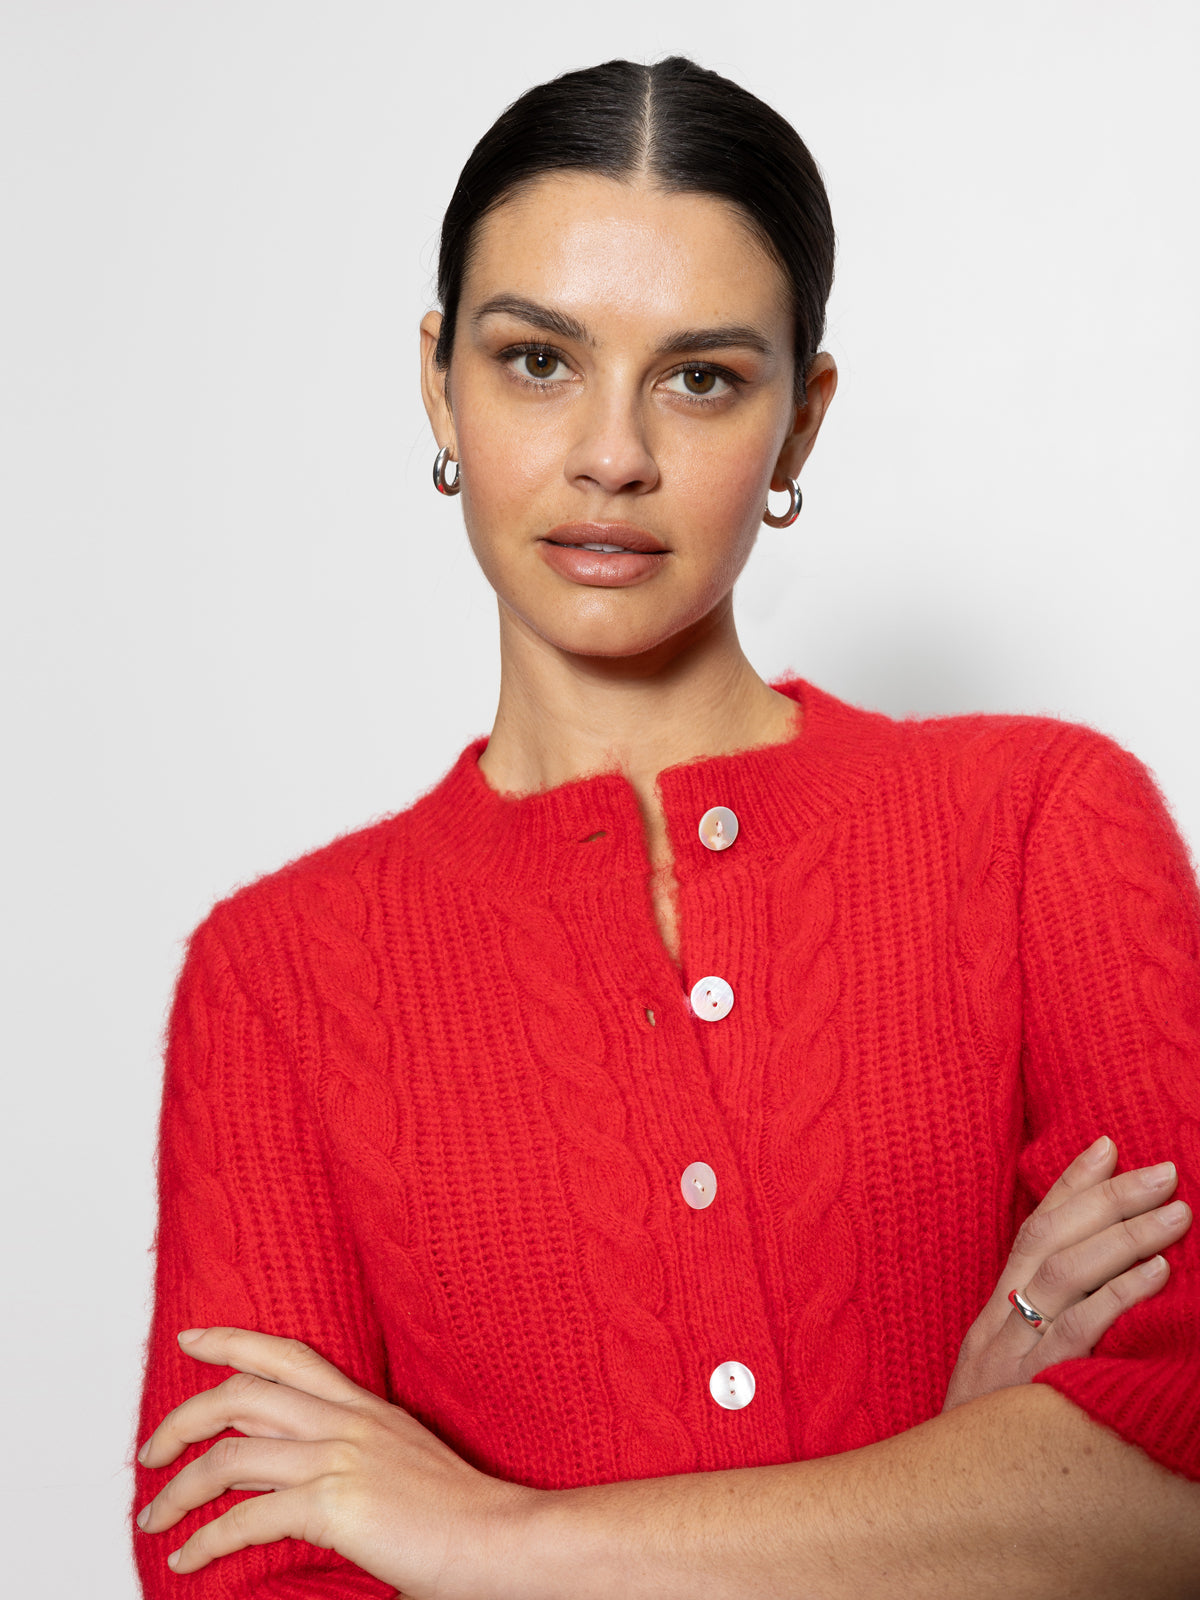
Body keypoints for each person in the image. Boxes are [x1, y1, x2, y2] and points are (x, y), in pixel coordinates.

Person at [131, 56, 1200, 1597]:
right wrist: (969, 1495)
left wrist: (491, 1537)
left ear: (802, 420)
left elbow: (1176, 1480)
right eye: (536, 361)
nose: (612, 455)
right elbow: (243, 1571)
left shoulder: (1042, 824)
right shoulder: (276, 977)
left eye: (700, 376)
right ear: (439, 379)